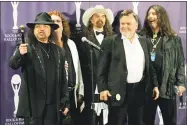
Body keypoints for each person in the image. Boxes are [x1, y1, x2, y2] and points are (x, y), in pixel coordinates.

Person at [97, 9, 159, 125]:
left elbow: (150, 67)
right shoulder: (110, 42)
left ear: (136, 26)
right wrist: (102, 88)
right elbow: (101, 68)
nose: (124, 26)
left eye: (128, 23)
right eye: (122, 24)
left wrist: (155, 85)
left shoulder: (145, 42)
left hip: (140, 91)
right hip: (117, 91)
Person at [9, 12, 69, 125]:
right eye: (38, 26)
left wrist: (65, 101)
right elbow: (13, 64)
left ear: (51, 29)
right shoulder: (27, 47)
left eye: (45, 26)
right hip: (33, 107)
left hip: (53, 107)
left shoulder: (59, 51)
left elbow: (63, 79)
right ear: (33, 30)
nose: (41, 29)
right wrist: (20, 54)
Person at [139, 5, 186, 125]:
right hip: (147, 86)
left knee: (170, 121)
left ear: (162, 17)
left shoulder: (173, 39)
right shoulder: (141, 37)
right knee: (146, 120)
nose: (151, 16)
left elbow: (180, 62)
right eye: (149, 14)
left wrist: (181, 83)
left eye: (154, 14)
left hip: (167, 85)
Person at [77, 5, 114, 125]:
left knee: (108, 117)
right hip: (90, 85)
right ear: (91, 20)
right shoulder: (82, 38)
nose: (100, 18)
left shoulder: (113, 38)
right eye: (97, 16)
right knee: (90, 117)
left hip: (108, 86)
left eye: (103, 16)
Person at [48, 10, 84, 125]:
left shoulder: (71, 44)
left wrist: (80, 93)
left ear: (63, 25)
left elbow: (77, 69)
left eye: (58, 21)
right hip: (54, 98)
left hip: (72, 95)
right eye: (52, 21)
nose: (55, 23)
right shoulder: (45, 46)